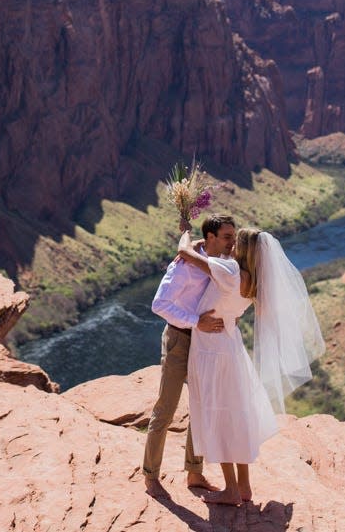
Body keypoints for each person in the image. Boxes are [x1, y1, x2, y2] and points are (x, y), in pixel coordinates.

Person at [177, 226, 325, 505]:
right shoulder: (254, 280)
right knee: (235, 415)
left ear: (242, 249)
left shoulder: (230, 272)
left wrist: (188, 233)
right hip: (231, 347)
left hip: (211, 349)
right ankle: (243, 487)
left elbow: (184, 254)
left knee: (218, 416)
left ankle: (232, 490)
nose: (230, 244)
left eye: (235, 240)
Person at [142, 214, 237, 500]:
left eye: (233, 236)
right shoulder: (184, 266)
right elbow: (159, 304)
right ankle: (150, 475)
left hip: (204, 342)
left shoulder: (218, 263)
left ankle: (194, 473)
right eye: (227, 237)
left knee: (201, 407)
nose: (232, 242)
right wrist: (196, 321)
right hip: (180, 340)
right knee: (166, 408)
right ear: (210, 238)